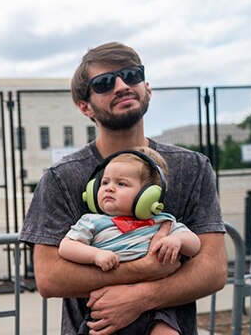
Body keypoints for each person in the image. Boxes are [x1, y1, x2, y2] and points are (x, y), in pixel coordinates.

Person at [19, 42, 227, 335]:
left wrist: (141, 298)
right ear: (85, 106)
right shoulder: (60, 176)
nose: (121, 86)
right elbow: (50, 278)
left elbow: (213, 269)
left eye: (131, 75)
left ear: (147, 89)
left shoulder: (193, 166)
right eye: (104, 83)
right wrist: (148, 269)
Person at [58, 147, 201, 334]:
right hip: (106, 308)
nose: (109, 187)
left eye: (122, 184)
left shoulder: (161, 222)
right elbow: (66, 246)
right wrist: (96, 255)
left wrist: (178, 241)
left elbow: (195, 245)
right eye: (105, 182)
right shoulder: (92, 221)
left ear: (149, 196)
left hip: (156, 308)